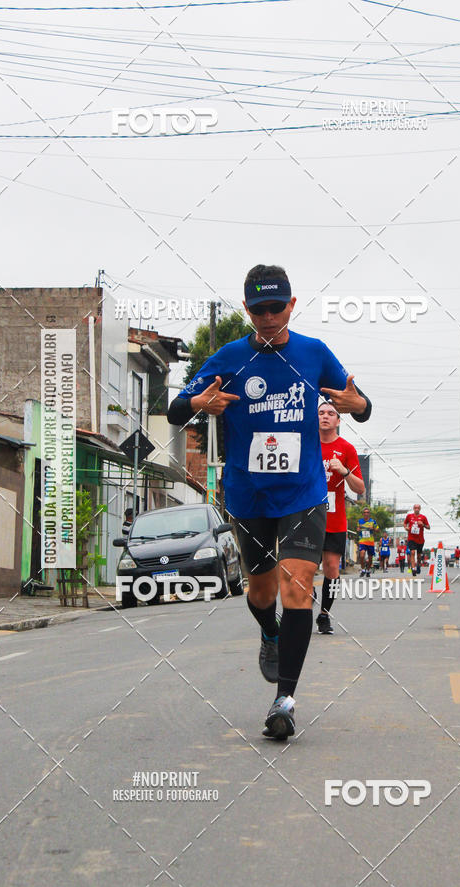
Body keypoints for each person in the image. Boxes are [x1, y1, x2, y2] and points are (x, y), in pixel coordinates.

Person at [167, 264, 371, 740]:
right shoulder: (229, 357)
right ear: (247, 310)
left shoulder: (314, 353)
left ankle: (285, 700)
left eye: (277, 307)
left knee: (297, 587)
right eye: (259, 310)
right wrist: (199, 404)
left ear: (292, 305)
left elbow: (362, 403)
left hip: (303, 493)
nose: (269, 317)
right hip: (248, 495)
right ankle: (270, 632)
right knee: (261, 594)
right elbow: (175, 408)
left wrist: (356, 405)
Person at [317, 400, 365, 634]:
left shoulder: (346, 449)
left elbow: (360, 488)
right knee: (303, 568)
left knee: (332, 568)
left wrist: (344, 471)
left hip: (334, 518)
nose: (325, 416)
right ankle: (302, 605)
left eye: (330, 413)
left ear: (338, 420)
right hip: (306, 516)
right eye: (321, 413)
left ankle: (324, 614)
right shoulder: (306, 444)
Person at [403, 503, 430, 575]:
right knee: (412, 552)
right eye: (415, 508)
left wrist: (423, 524)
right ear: (413, 509)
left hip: (420, 539)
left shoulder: (423, 517)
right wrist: (406, 527)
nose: (416, 509)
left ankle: (418, 565)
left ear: (420, 509)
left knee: (418, 556)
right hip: (411, 538)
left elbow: (428, 527)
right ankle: (413, 568)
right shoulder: (409, 516)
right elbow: (405, 523)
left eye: (418, 508)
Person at [357, 507, 378, 576]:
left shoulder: (373, 521)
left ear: (369, 514)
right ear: (363, 514)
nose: (366, 514)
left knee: (370, 558)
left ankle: (368, 570)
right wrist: (358, 529)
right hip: (362, 541)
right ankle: (363, 569)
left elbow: (378, 530)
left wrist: (373, 528)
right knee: (362, 555)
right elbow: (358, 528)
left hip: (370, 542)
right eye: (365, 512)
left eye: (367, 512)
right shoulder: (360, 521)